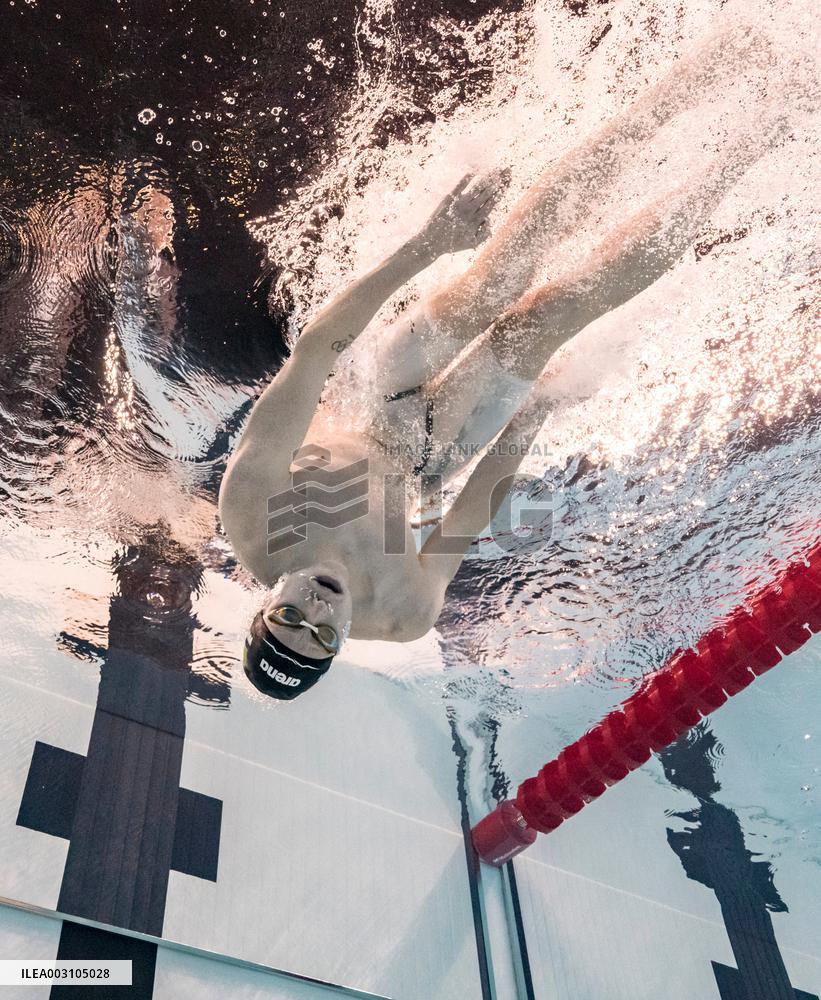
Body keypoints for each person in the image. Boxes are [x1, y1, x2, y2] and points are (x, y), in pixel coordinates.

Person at [219, 25, 786, 699]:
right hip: (435, 454)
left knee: (492, 280)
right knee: (545, 317)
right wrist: (534, 413)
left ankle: (675, 94)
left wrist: (430, 244)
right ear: (341, 644)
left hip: (376, 400)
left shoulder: (252, 510)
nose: (314, 612)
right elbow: (466, 515)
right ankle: (751, 149)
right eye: (321, 635)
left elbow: (317, 352)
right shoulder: (402, 612)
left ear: (265, 602)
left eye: (289, 618)